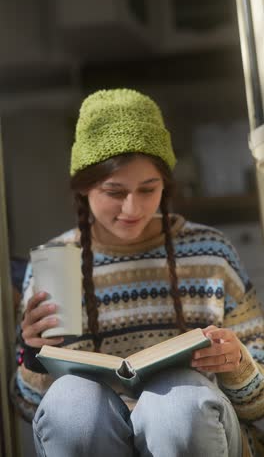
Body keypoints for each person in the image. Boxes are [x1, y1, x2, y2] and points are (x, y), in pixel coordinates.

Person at [11, 89, 264, 456]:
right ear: (83, 187)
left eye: (149, 189)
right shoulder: (54, 263)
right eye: (115, 191)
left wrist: (237, 363)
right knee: (71, 403)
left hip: (202, 431)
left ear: (166, 185)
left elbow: (259, 406)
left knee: (177, 403)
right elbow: (31, 411)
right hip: (97, 437)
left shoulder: (211, 253)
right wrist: (32, 355)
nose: (132, 207)